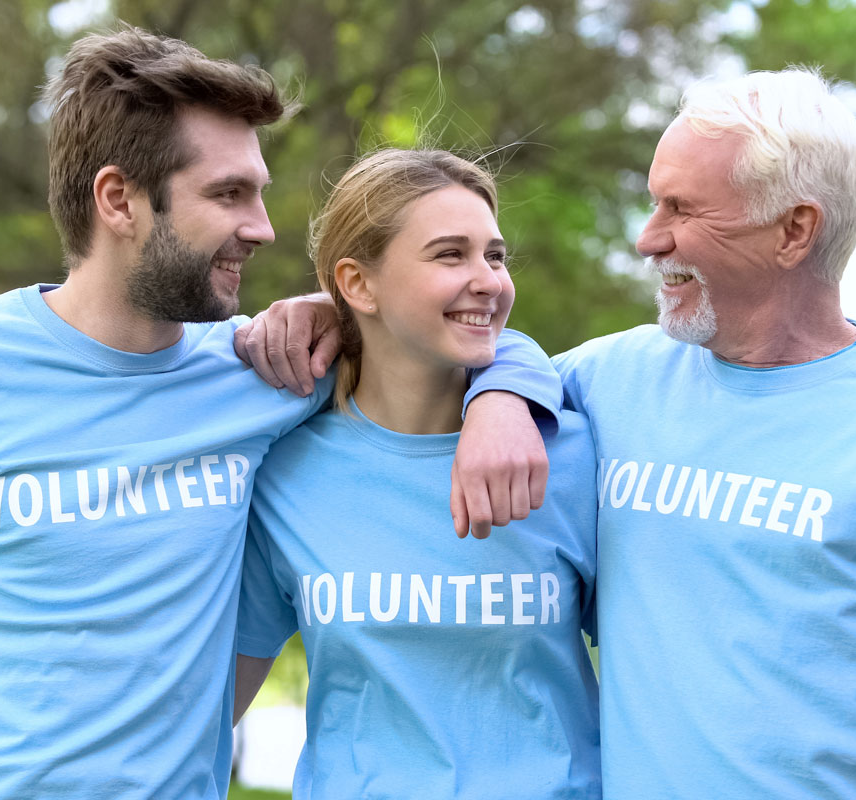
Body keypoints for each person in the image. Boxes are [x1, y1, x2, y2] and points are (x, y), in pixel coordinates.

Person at [237, 68, 856, 798]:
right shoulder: (608, 386)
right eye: (655, 202)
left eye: (681, 210)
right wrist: (372, 335)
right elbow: (489, 347)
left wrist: (493, 392)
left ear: (794, 231)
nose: (648, 237)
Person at [0, 27, 557, 800]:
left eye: (259, 191)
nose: (263, 227)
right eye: (228, 194)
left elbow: (446, 330)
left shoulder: (269, 372)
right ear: (119, 200)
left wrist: (505, 397)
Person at [232, 148, 601, 799]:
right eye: (450, 255)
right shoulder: (287, 474)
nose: (488, 279)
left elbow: (662, 672)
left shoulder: (569, 455)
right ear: (357, 284)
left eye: (495, 255)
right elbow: (215, 706)